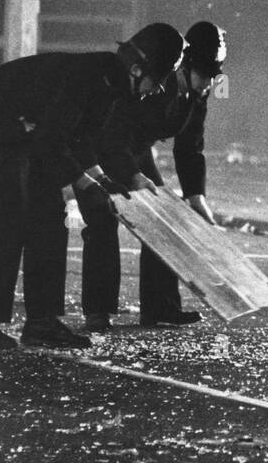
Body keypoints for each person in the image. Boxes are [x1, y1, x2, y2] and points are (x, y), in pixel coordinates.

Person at [0, 24, 187, 351]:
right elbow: (53, 141)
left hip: (25, 135)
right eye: (157, 80)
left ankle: (42, 323)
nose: (157, 90)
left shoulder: (110, 84)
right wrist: (87, 182)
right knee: (9, 224)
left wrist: (117, 180)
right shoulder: (89, 79)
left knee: (49, 218)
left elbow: (81, 138)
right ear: (137, 68)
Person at [80, 21, 227, 332]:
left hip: (136, 147)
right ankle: (98, 310)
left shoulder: (198, 91)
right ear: (184, 66)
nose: (207, 85)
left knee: (161, 215)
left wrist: (195, 195)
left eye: (214, 78)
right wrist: (132, 177)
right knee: (103, 215)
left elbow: (190, 146)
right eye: (203, 76)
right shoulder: (157, 78)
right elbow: (112, 136)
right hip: (102, 144)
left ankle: (160, 307)